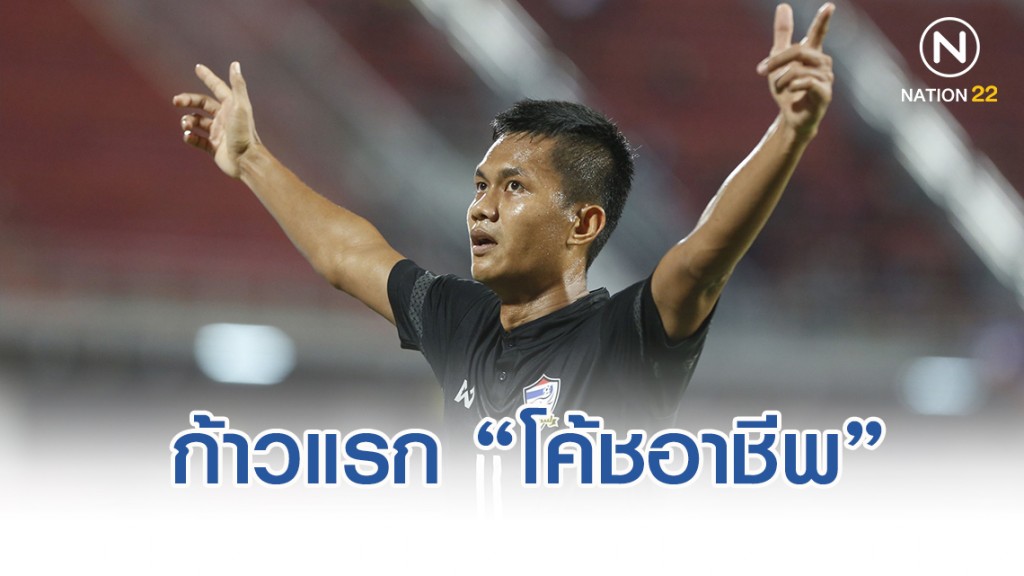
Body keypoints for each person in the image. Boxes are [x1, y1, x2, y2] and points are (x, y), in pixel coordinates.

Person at [173, 4, 835, 445]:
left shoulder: (624, 341)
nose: (481, 207)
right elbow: (348, 257)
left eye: (514, 187)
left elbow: (702, 260)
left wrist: (790, 131)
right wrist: (252, 159)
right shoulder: (461, 322)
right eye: (480, 185)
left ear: (584, 223)